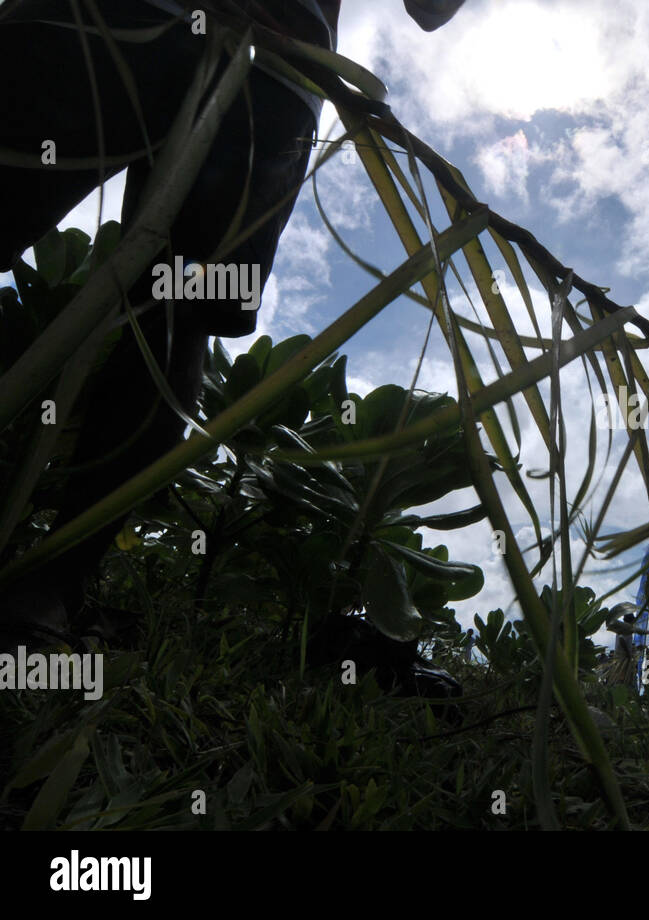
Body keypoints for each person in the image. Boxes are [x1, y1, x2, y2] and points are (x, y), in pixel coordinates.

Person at [0, 0, 466, 646]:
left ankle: (50, 588)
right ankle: (46, 592)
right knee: (176, 326)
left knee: (176, 325)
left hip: (267, 63)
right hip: (246, 59)